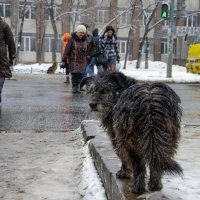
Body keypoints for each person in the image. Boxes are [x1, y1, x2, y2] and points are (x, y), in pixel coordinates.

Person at [62, 25, 89, 94]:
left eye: (83, 33)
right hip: (74, 60)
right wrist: (64, 59)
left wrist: (88, 58)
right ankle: (74, 87)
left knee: (80, 74)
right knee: (75, 74)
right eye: (80, 32)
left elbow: (88, 50)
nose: (81, 34)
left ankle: (78, 87)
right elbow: (67, 50)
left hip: (83, 61)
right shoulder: (71, 39)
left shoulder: (86, 40)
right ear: (77, 32)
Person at [0, 17, 16, 103]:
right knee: (1, 73)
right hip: (1, 57)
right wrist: (12, 56)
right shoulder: (4, 25)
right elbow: (10, 41)